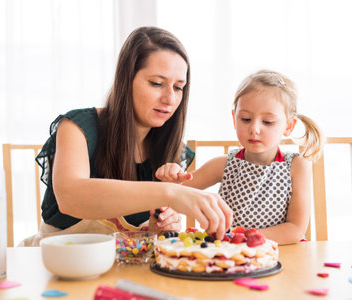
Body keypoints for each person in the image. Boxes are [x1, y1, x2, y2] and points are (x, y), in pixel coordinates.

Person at [22, 26, 232, 246]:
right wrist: (169, 193)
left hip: (126, 271)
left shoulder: (172, 150)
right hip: (63, 268)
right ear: (126, 79)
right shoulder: (77, 127)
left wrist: (157, 228)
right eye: (157, 84)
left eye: (179, 87)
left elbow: (141, 240)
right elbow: (71, 197)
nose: (170, 99)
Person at [156, 70, 324, 245]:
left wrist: (243, 238)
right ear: (234, 118)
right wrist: (170, 177)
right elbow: (174, 193)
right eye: (245, 119)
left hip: (282, 256)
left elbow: (295, 230)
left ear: (288, 126)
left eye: (267, 122)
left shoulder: (297, 166)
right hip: (233, 256)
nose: (255, 129)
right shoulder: (223, 164)